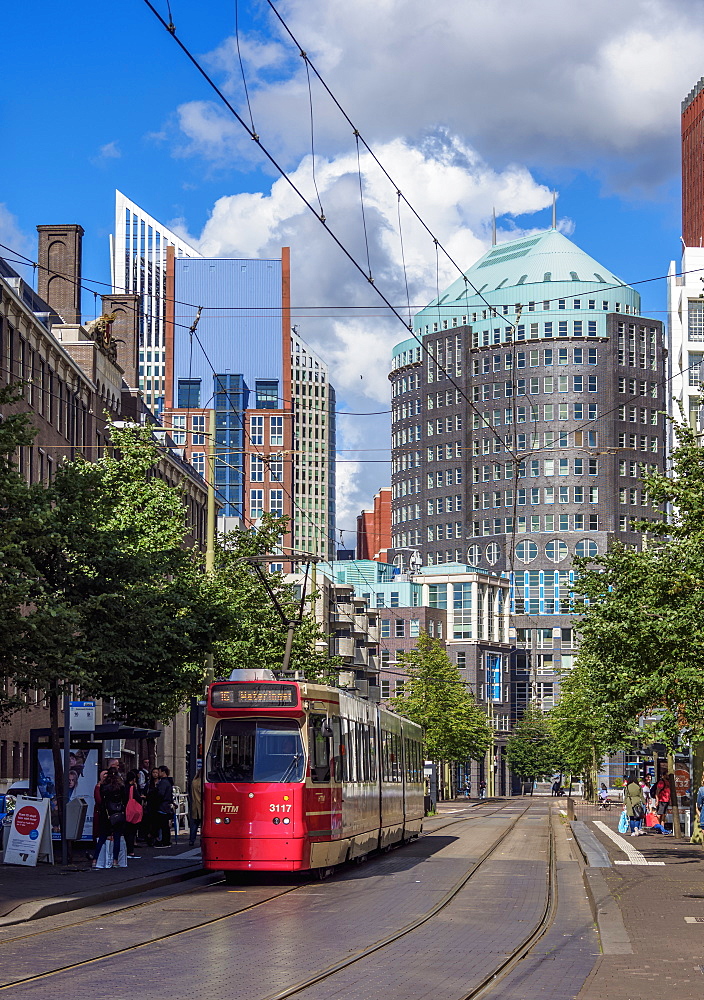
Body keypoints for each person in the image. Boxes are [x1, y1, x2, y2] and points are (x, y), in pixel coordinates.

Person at [94, 767, 128, 868]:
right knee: (117, 837)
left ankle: (95, 859)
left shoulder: (103, 786)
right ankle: (115, 860)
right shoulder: (121, 786)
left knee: (102, 837)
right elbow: (125, 800)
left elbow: (101, 801)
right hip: (117, 814)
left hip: (106, 814)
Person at [124, 769, 142, 859]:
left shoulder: (124, 787)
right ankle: (130, 851)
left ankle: (125, 850)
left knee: (126, 832)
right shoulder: (132, 787)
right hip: (132, 812)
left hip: (125, 810)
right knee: (132, 832)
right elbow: (138, 798)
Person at [154, 766, 174, 848]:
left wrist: (155, 799)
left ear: (163, 772)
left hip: (162, 806)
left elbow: (160, 794)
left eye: (159, 772)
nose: (158, 773)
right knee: (164, 825)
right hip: (166, 806)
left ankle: (164, 841)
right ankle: (166, 841)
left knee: (162, 825)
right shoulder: (168, 782)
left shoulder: (163, 783)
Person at [189, 768, 202, 847]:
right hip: (201, 805)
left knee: (194, 824)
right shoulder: (201, 783)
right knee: (202, 825)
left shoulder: (194, 782)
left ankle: (191, 840)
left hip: (194, 805)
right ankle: (201, 839)